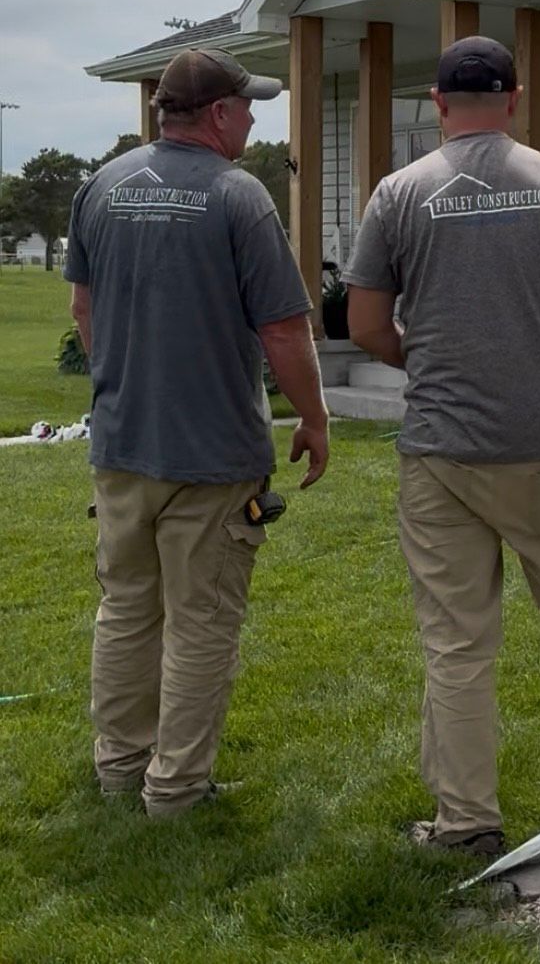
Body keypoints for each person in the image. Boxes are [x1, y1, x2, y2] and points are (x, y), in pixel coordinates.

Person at [345, 35, 540, 858]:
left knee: (457, 643)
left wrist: (429, 360)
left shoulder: (397, 195)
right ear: (515, 99)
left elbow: (367, 325)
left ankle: (466, 824)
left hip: (443, 453)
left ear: (438, 102)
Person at [65, 47, 329, 818]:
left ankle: (119, 769)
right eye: (246, 105)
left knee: (126, 610)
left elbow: (83, 311)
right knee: (202, 621)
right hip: (212, 457)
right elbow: (283, 330)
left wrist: (121, 377)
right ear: (216, 114)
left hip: (120, 446)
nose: (252, 117)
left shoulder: (101, 187)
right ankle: (175, 790)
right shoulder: (240, 198)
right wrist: (312, 418)